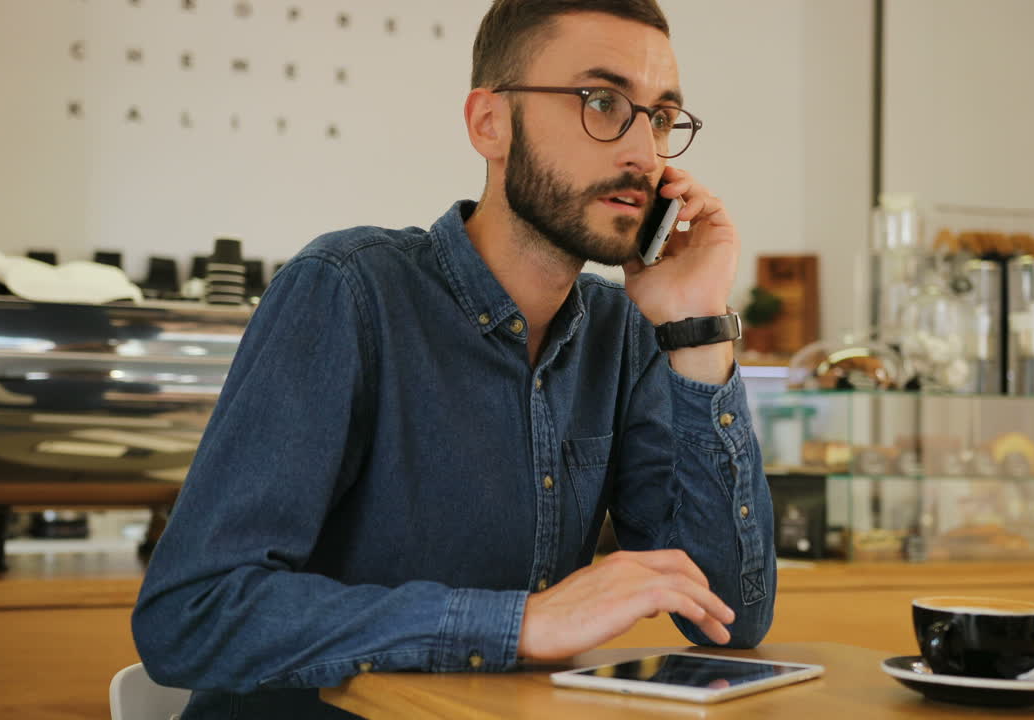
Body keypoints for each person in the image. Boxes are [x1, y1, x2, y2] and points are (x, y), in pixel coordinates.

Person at [133, 1, 776, 716]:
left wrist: (697, 330)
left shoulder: (622, 335)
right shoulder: (349, 290)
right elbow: (190, 613)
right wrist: (521, 624)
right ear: (489, 122)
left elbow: (731, 618)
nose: (645, 155)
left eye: (659, 117)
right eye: (602, 102)